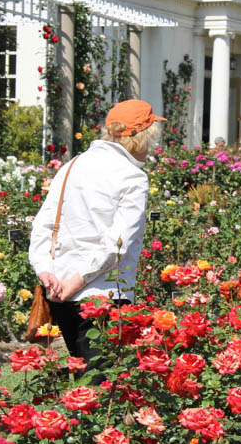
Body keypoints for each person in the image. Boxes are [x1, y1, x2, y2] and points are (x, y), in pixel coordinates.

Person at [29, 99, 164, 365]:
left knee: (85, 378)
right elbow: (117, 243)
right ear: (141, 137)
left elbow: (43, 225)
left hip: (60, 290)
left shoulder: (73, 165)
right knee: (104, 386)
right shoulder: (132, 177)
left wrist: (46, 272)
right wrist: (77, 282)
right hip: (104, 295)